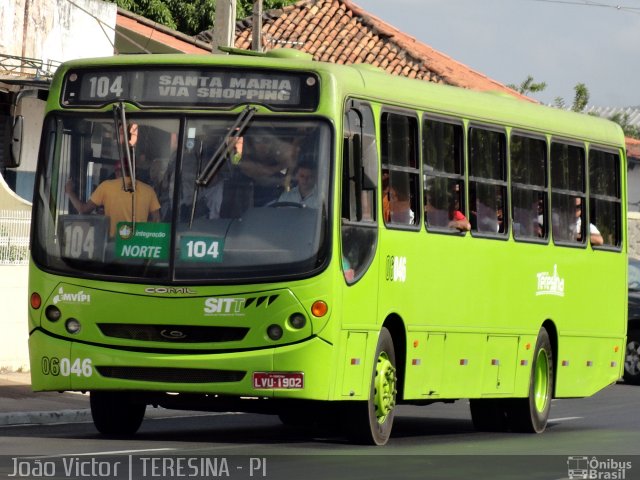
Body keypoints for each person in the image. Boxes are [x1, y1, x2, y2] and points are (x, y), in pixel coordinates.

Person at [65, 124, 161, 237]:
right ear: (135, 172)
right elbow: (156, 220)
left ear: (117, 172)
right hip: (138, 246)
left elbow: (83, 209)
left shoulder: (106, 186)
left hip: (113, 245)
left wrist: (69, 192)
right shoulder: (149, 190)